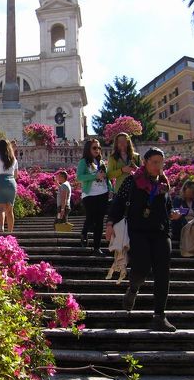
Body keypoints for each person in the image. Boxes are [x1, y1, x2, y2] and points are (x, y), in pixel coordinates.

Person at [106, 147, 182, 332]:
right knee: (141, 268)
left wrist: (172, 214)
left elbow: (167, 205)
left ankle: (159, 316)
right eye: (154, 162)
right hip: (138, 231)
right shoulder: (132, 181)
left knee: (163, 273)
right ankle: (133, 288)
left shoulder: (164, 184)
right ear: (145, 162)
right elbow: (118, 203)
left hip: (161, 232)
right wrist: (110, 224)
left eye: (161, 163)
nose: (158, 166)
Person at [77, 139, 111, 255]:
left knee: (100, 221)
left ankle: (97, 248)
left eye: (98, 148)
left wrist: (110, 189)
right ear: (88, 149)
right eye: (94, 148)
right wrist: (94, 175)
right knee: (91, 217)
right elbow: (79, 177)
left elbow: (106, 177)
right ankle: (84, 232)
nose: (97, 150)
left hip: (103, 193)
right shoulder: (83, 162)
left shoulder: (101, 162)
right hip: (89, 194)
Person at [0, 139, 18, 232]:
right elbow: (16, 175)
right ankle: (10, 231)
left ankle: (1, 228)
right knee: (10, 210)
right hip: (11, 182)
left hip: (1, 181)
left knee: (0, 208)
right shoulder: (14, 159)